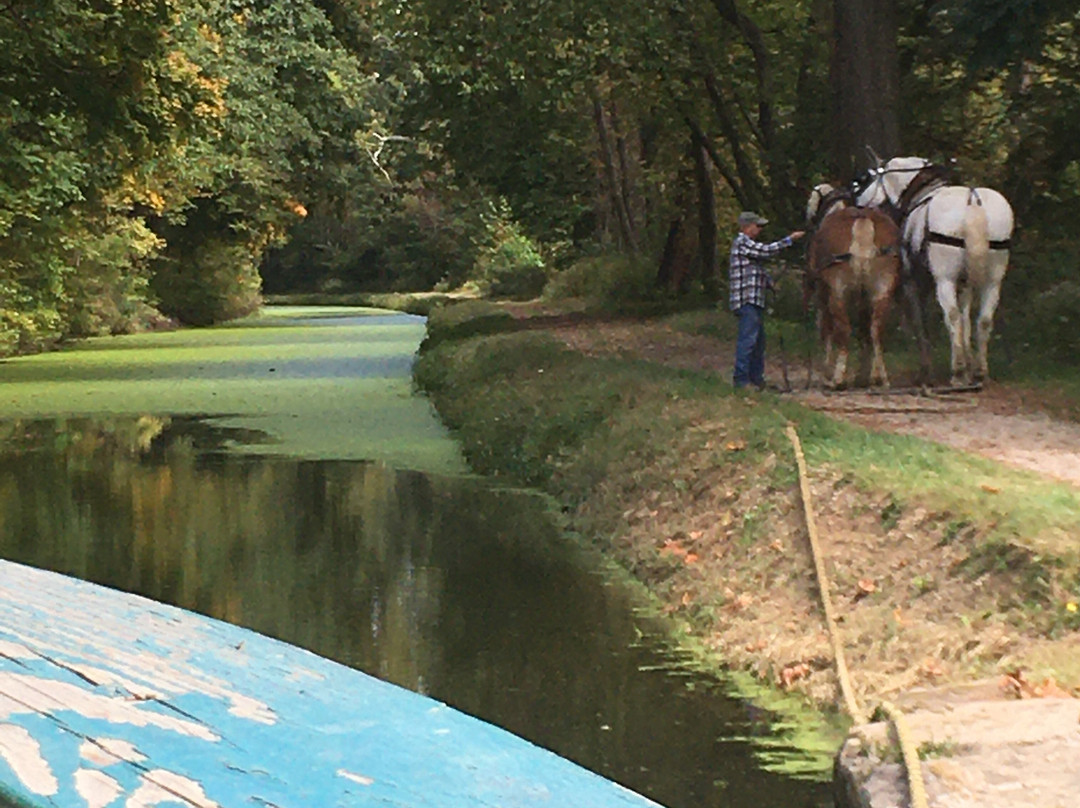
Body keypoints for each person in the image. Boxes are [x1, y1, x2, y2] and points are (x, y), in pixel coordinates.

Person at [728, 211, 805, 390]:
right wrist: (789, 240)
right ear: (747, 226)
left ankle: (756, 380)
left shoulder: (747, 246)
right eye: (758, 226)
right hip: (746, 301)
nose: (760, 230)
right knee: (748, 340)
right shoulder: (742, 242)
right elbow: (766, 251)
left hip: (754, 301)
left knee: (758, 342)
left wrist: (769, 283)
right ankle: (741, 380)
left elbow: (755, 268)